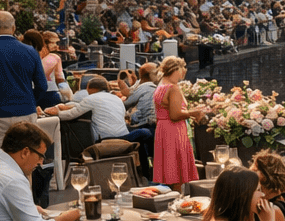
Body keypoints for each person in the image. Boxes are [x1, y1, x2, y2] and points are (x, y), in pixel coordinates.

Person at [0, 11, 62, 158]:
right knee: (25, 160)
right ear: (13, 28)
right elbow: (42, 86)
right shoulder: (31, 51)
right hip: (25, 113)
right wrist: (29, 102)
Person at [52, 76, 154, 150]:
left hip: (106, 138)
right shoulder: (116, 99)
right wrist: (71, 106)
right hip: (124, 134)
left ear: (92, 88)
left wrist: (57, 113)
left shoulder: (90, 98)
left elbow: (71, 115)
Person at [152, 55, 197, 185]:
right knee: (176, 171)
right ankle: (178, 198)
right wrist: (194, 113)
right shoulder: (173, 88)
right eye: (183, 68)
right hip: (174, 129)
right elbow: (175, 115)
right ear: (176, 69)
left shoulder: (161, 85)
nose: (184, 71)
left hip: (162, 128)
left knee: (168, 168)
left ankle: (171, 197)